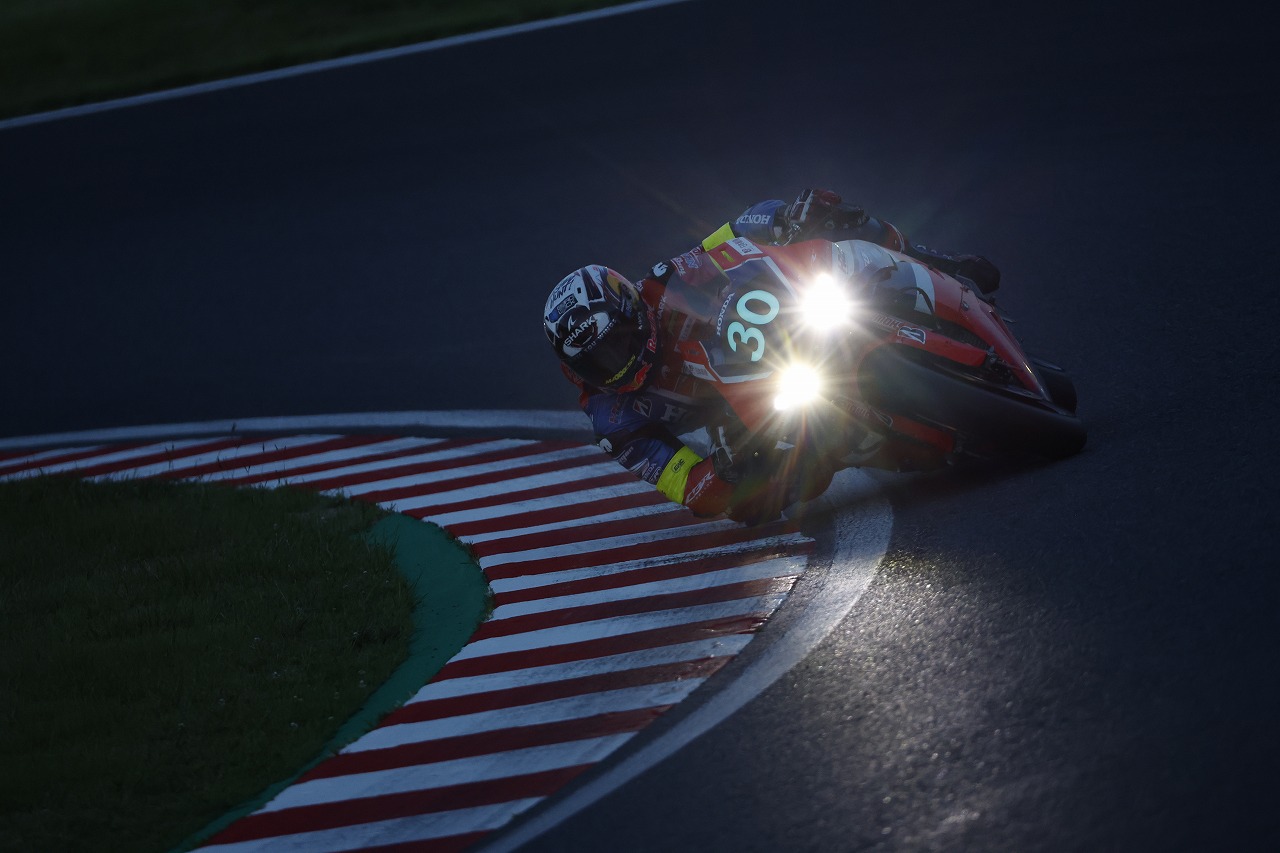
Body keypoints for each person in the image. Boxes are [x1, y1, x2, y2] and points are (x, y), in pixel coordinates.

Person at [542, 189, 1000, 524]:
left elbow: (728, 235)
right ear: (574, 370)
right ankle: (880, 445)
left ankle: (937, 261)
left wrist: (785, 217)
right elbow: (685, 487)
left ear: (632, 310)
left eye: (618, 343)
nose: (617, 365)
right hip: (740, 415)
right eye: (598, 363)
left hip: (767, 331)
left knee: (836, 221)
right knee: (748, 506)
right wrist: (723, 468)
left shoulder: (663, 283)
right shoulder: (614, 420)